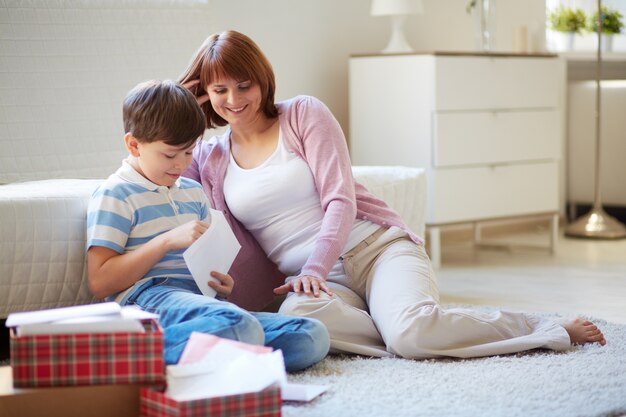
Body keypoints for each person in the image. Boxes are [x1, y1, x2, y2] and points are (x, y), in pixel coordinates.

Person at [179, 30, 606, 360]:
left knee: (412, 333)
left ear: (263, 80)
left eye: (243, 85)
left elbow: (340, 200)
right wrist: (186, 107)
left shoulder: (303, 114)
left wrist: (314, 266)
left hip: (376, 250)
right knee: (296, 318)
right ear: (206, 93)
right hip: (319, 287)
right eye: (219, 90)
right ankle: (401, 324)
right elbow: (176, 176)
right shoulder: (208, 156)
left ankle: (540, 326)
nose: (234, 100)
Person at [86, 79, 329, 371]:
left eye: (188, 153)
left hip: (200, 303)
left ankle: (217, 357)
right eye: (169, 154)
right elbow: (99, 282)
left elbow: (206, 268)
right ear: (134, 145)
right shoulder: (116, 194)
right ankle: (124, 353)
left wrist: (220, 287)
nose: (180, 165)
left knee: (311, 335)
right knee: (240, 326)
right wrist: (165, 241)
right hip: (149, 298)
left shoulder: (191, 191)